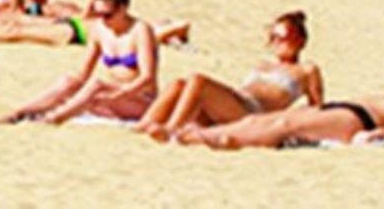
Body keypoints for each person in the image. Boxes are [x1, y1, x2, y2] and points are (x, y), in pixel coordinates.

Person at [0, 0, 159, 124]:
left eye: (108, 15)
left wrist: (118, 94)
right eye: (98, 14)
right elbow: (84, 73)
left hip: (139, 99)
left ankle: (53, 119)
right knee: (69, 81)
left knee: (97, 85)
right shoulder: (99, 28)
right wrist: (72, 85)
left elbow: (147, 78)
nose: (103, 19)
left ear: (123, 8)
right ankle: (19, 112)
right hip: (113, 95)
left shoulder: (140, 30)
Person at [135, 11, 324, 141]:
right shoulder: (264, 64)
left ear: (300, 40)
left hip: (252, 114)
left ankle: (172, 129)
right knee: (179, 84)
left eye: (281, 38)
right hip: (235, 103)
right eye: (272, 37)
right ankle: (145, 124)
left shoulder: (307, 70)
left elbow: (317, 109)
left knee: (198, 80)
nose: (276, 42)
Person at [179, 80, 384, 149]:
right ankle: (212, 134)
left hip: (360, 120)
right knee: (266, 120)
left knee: (284, 124)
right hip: (343, 107)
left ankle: (203, 137)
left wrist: (382, 133)